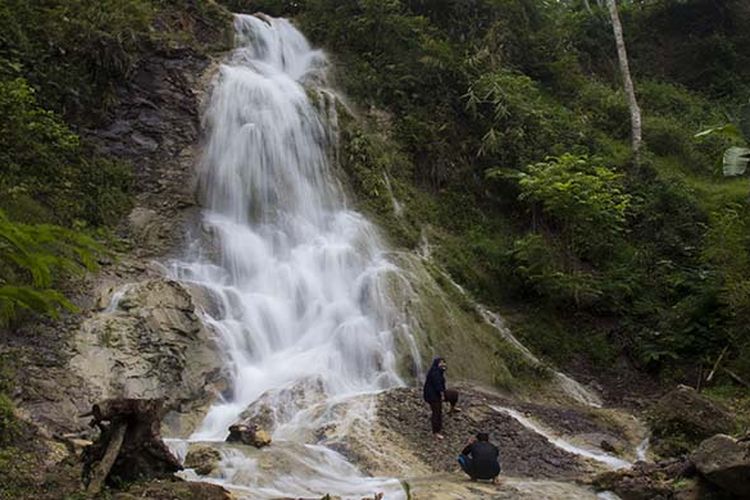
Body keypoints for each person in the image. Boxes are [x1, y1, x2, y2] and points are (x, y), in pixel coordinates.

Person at [423, 357, 459, 439]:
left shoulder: (439, 371)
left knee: (454, 394)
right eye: (441, 363)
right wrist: (442, 395)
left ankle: (452, 408)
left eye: (444, 362)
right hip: (432, 395)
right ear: (437, 364)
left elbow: (441, 385)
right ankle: (436, 432)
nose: (444, 364)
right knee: (437, 412)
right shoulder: (435, 372)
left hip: (438, 393)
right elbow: (437, 385)